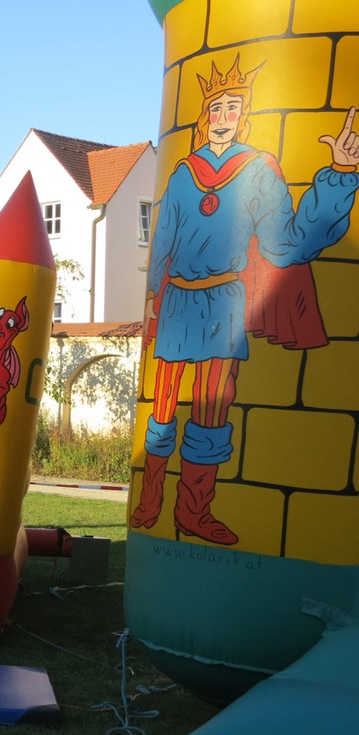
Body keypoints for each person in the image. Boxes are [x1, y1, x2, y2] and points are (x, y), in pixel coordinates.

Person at [131, 56, 359, 545]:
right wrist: (151, 302)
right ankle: (149, 500)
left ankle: (193, 512)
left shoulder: (258, 171)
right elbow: (163, 243)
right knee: (162, 407)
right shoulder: (183, 173)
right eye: (216, 107)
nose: (223, 117)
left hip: (223, 304)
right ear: (205, 115)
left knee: (213, 409)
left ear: (244, 115)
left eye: (233, 108)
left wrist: (340, 174)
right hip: (177, 304)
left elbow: (287, 243)